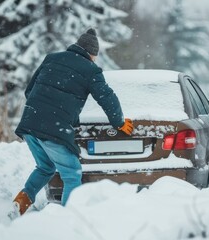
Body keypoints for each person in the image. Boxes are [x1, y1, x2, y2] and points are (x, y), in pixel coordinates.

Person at [10, 28, 133, 217]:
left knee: (45, 167)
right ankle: (66, 220)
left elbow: (29, 91)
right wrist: (118, 122)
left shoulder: (51, 58)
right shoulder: (91, 70)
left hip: (30, 124)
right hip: (53, 128)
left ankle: (21, 201)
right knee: (72, 173)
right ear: (92, 54)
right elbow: (106, 96)